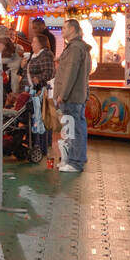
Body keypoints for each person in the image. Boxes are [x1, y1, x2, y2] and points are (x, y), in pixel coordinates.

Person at [52, 19, 92, 172]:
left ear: (73, 29)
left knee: (74, 129)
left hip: (72, 96)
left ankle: (76, 162)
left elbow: (70, 73)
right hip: (76, 95)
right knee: (72, 128)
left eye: (64, 27)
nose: (61, 30)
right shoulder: (79, 47)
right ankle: (71, 159)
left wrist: (62, 94)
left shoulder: (75, 48)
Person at [26, 31, 56, 159]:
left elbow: (49, 72)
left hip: (41, 92)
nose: (31, 44)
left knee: (40, 118)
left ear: (40, 43)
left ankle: (41, 146)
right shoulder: (33, 55)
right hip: (32, 91)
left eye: (34, 41)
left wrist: (38, 79)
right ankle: (36, 144)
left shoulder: (45, 55)